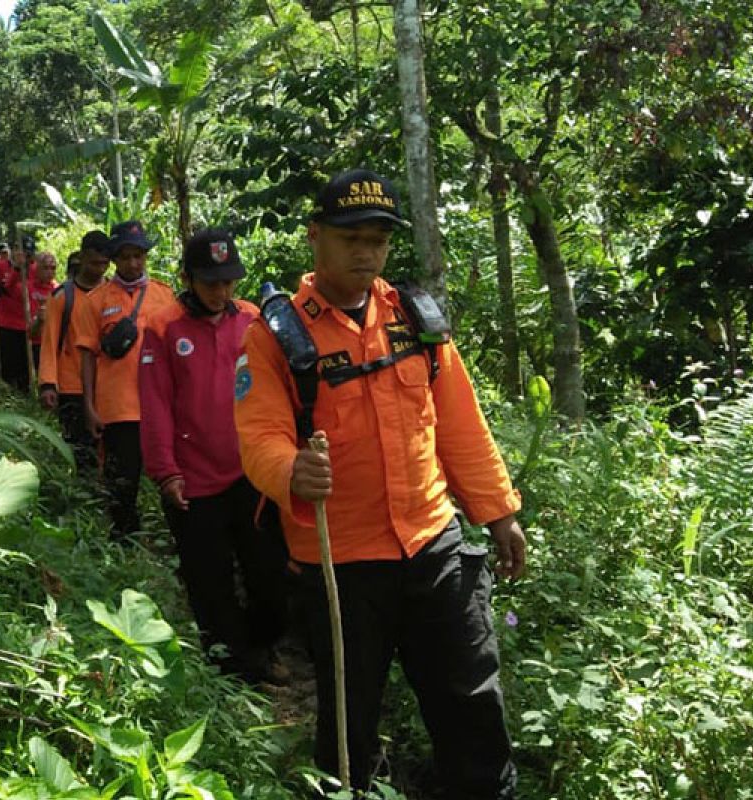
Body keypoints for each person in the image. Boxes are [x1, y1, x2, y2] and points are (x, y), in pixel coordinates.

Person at [234, 167, 526, 798]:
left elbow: (460, 423)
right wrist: (290, 470)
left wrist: (499, 512)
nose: (366, 252)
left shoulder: (415, 319)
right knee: (349, 724)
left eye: (378, 239)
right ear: (316, 237)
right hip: (341, 564)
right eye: (351, 238)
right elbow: (257, 437)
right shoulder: (276, 336)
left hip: (432, 543)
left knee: (471, 699)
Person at [138, 228, 289, 684]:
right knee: (210, 582)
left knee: (269, 574)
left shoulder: (251, 319)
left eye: (228, 281)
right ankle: (229, 669)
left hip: (252, 473)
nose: (221, 291)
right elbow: (156, 403)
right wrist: (166, 472)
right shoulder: (163, 328)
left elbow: (277, 389)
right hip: (194, 480)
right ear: (188, 278)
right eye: (210, 282)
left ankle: (264, 650)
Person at [74, 221, 176, 539]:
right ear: (115, 258)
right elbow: (87, 355)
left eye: (139, 256)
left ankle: (177, 537)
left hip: (160, 405)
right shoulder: (97, 300)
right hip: (118, 409)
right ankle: (125, 542)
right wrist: (88, 406)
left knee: (172, 477)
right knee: (122, 483)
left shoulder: (165, 295)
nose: (133, 264)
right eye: (126, 256)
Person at [39, 232, 111, 474]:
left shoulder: (113, 294)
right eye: (93, 263)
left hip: (105, 384)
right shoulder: (62, 297)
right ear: (81, 258)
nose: (99, 269)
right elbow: (49, 341)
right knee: (80, 450)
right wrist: (48, 384)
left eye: (104, 263)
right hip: (72, 386)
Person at [0, 243, 32, 392]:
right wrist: (17, 268)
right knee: (9, 365)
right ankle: (9, 395)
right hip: (7, 324)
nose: (20, 253)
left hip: (28, 325)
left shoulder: (34, 269)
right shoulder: (2, 267)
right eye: (17, 250)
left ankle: (25, 394)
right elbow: (4, 287)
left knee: (25, 366)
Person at [28, 252, 59, 371]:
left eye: (53, 268)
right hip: (33, 344)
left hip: (52, 344)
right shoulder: (28, 288)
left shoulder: (58, 290)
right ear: (37, 268)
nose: (50, 272)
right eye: (45, 268)